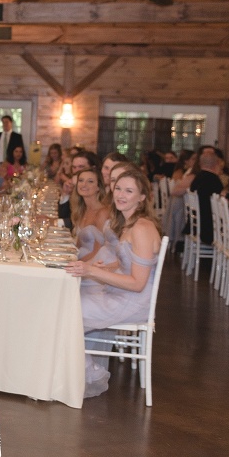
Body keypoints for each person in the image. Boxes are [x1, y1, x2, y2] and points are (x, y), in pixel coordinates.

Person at [65, 166, 162, 398]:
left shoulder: (142, 228)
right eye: (118, 189)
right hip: (118, 294)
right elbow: (126, 262)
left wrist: (92, 271)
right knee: (65, 302)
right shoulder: (129, 223)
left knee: (66, 312)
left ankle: (89, 374)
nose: (120, 195)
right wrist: (103, 269)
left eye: (129, 191)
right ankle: (69, 373)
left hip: (132, 301)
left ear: (142, 197)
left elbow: (138, 283)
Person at [70, 168, 110, 263]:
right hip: (79, 259)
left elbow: (98, 252)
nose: (84, 184)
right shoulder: (81, 210)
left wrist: (76, 263)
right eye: (81, 180)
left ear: (98, 187)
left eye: (90, 181)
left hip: (92, 264)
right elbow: (78, 246)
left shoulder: (102, 213)